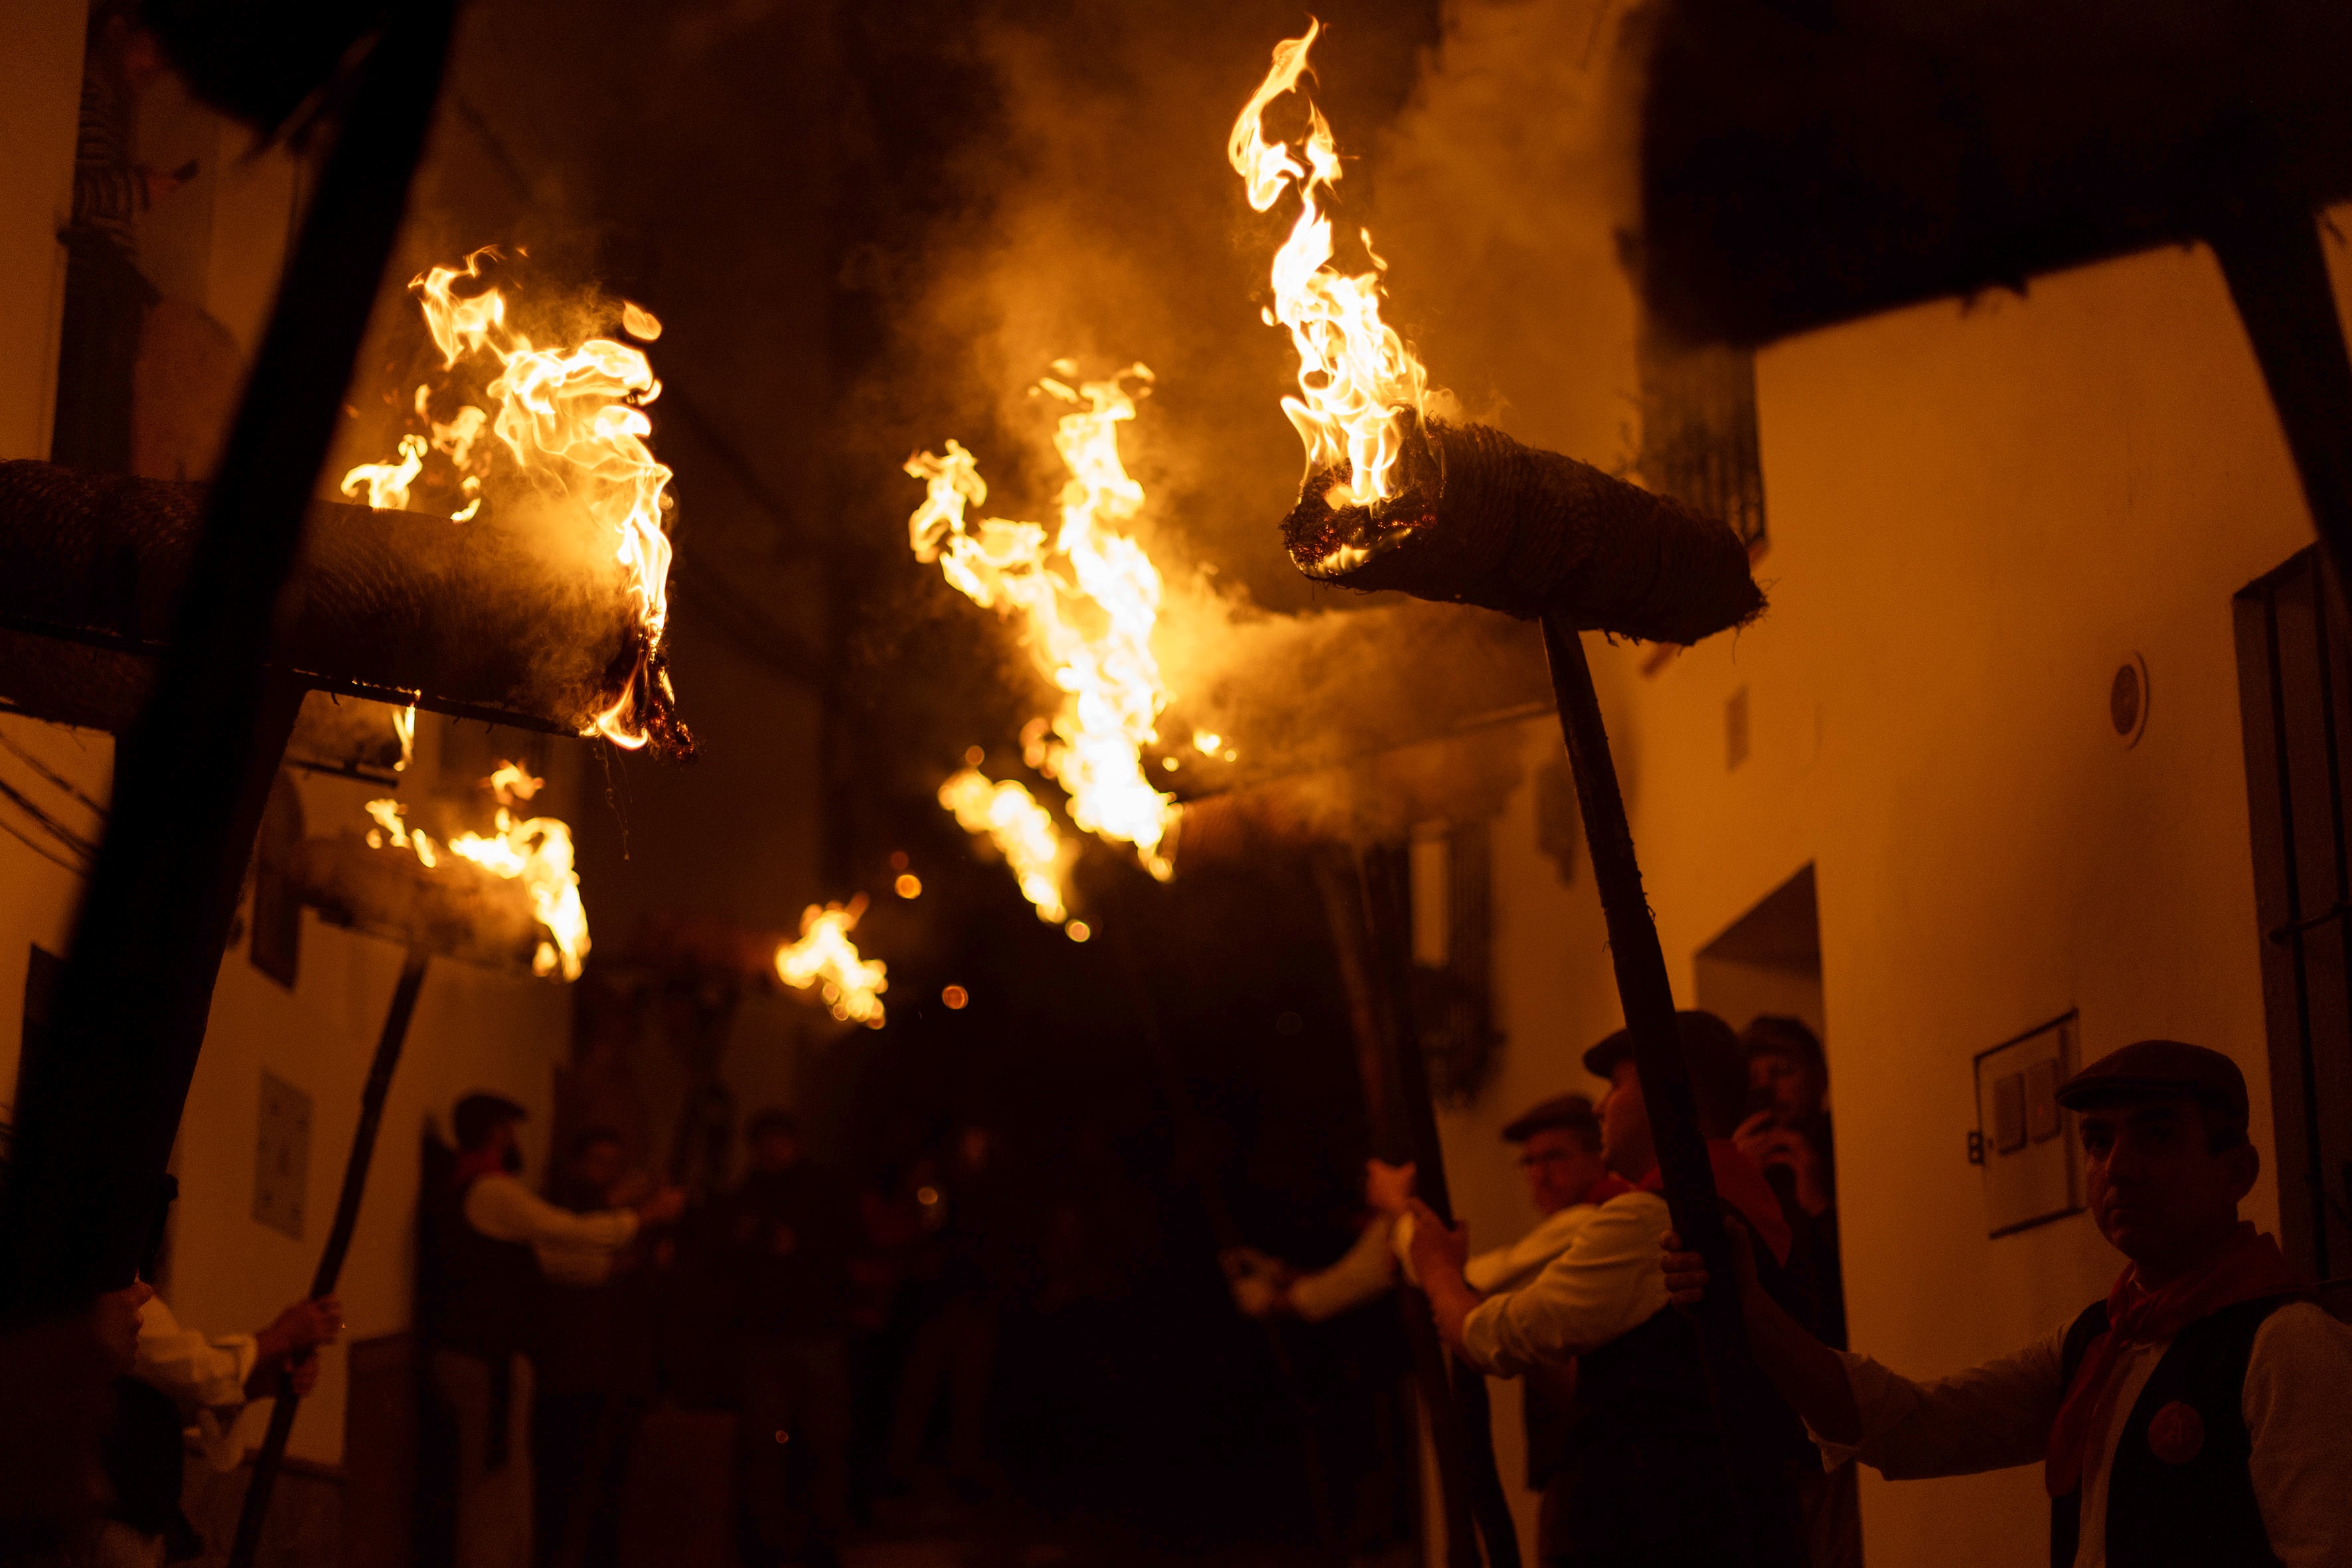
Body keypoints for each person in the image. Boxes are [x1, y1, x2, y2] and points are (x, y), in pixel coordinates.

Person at [1664, 1038, 2352, 1568]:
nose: (2118, 1167)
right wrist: (1750, 1312)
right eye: (2099, 1141)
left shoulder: (2286, 1342)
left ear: (2237, 1169)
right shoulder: (2099, 1341)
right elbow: (1912, 1425)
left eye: (2158, 1134)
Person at [1406, 1011, 1814, 1567]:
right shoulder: (1743, 1200)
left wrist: (1436, 1272)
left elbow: (1490, 1338)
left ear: (1671, 1097)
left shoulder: (1653, 1219)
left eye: (1615, 1087)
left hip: (1650, 1528)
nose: (1600, 1106)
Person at [428, 1093, 681, 1568]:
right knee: (491, 1491)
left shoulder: (478, 1192)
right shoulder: (491, 1191)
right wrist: (645, 1216)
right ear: (498, 1133)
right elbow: (567, 1234)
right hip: (489, 1360)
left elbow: (550, 1262)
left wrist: (621, 1261)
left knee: (502, 1489)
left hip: (497, 1361)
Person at [96, 1283, 342, 1567]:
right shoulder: (108, 1287)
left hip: (136, 1519)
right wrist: (280, 1337)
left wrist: (256, 1381)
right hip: (105, 1516)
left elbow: (164, 1402)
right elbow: (188, 1370)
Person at [723, 1111, 858, 1568]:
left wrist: (800, 1247)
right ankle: (768, 1539)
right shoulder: (746, 1194)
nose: (772, 1150)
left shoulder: (824, 1189)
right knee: (767, 1442)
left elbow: (847, 1245)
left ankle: (821, 1537)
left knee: (822, 1440)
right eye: (765, 1142)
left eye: (780, 1140)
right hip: (764, 1337)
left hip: (815, 1332)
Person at [54, 1, 182, 473]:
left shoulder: (107, 105)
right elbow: (64, 197)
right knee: (86, 438)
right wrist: (136, 188)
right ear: (116, 30)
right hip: (89, 290)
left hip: (107, 293)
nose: (155, 69)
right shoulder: (80, 97)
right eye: (152, 51)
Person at [531, 1128, 662, 1568]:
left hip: (618, 1372)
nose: (609, 1174)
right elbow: (577, 1245)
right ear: (576, 1166)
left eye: (615, 1163)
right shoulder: (560, 1211)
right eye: (599, 1162)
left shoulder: (630, 1220)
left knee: (610, 1488)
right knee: (561, 1486)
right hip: (569, 1373)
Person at [1736, 1016, 1843, 1347]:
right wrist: (1734, 1178)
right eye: (1753, 1078)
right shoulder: (1731, 1155)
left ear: (1820, 1079)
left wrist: (1818, 1204)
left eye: (1783, 1072)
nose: (1766, 1089)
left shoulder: (1847, 1148)